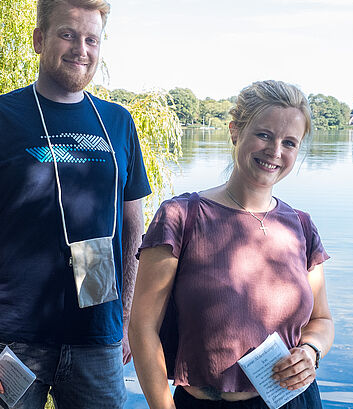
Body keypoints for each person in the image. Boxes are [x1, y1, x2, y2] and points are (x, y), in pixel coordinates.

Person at [0, 0, 151, 409]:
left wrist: (128, 319)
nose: (81, 49)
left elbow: (134, 227)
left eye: (91, 39)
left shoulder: (117, 122)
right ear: (40, 39)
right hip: (13, 337)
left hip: (98, 335)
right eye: (68, 34)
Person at [129, 80, 334, 409]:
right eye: (264, 135)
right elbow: (142, 327)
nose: (275, 151)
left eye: (289, 143)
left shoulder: (302, 226)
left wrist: (310, 352)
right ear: (235, 131)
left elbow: (321, 321)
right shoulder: (181, 217)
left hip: (296, 401)